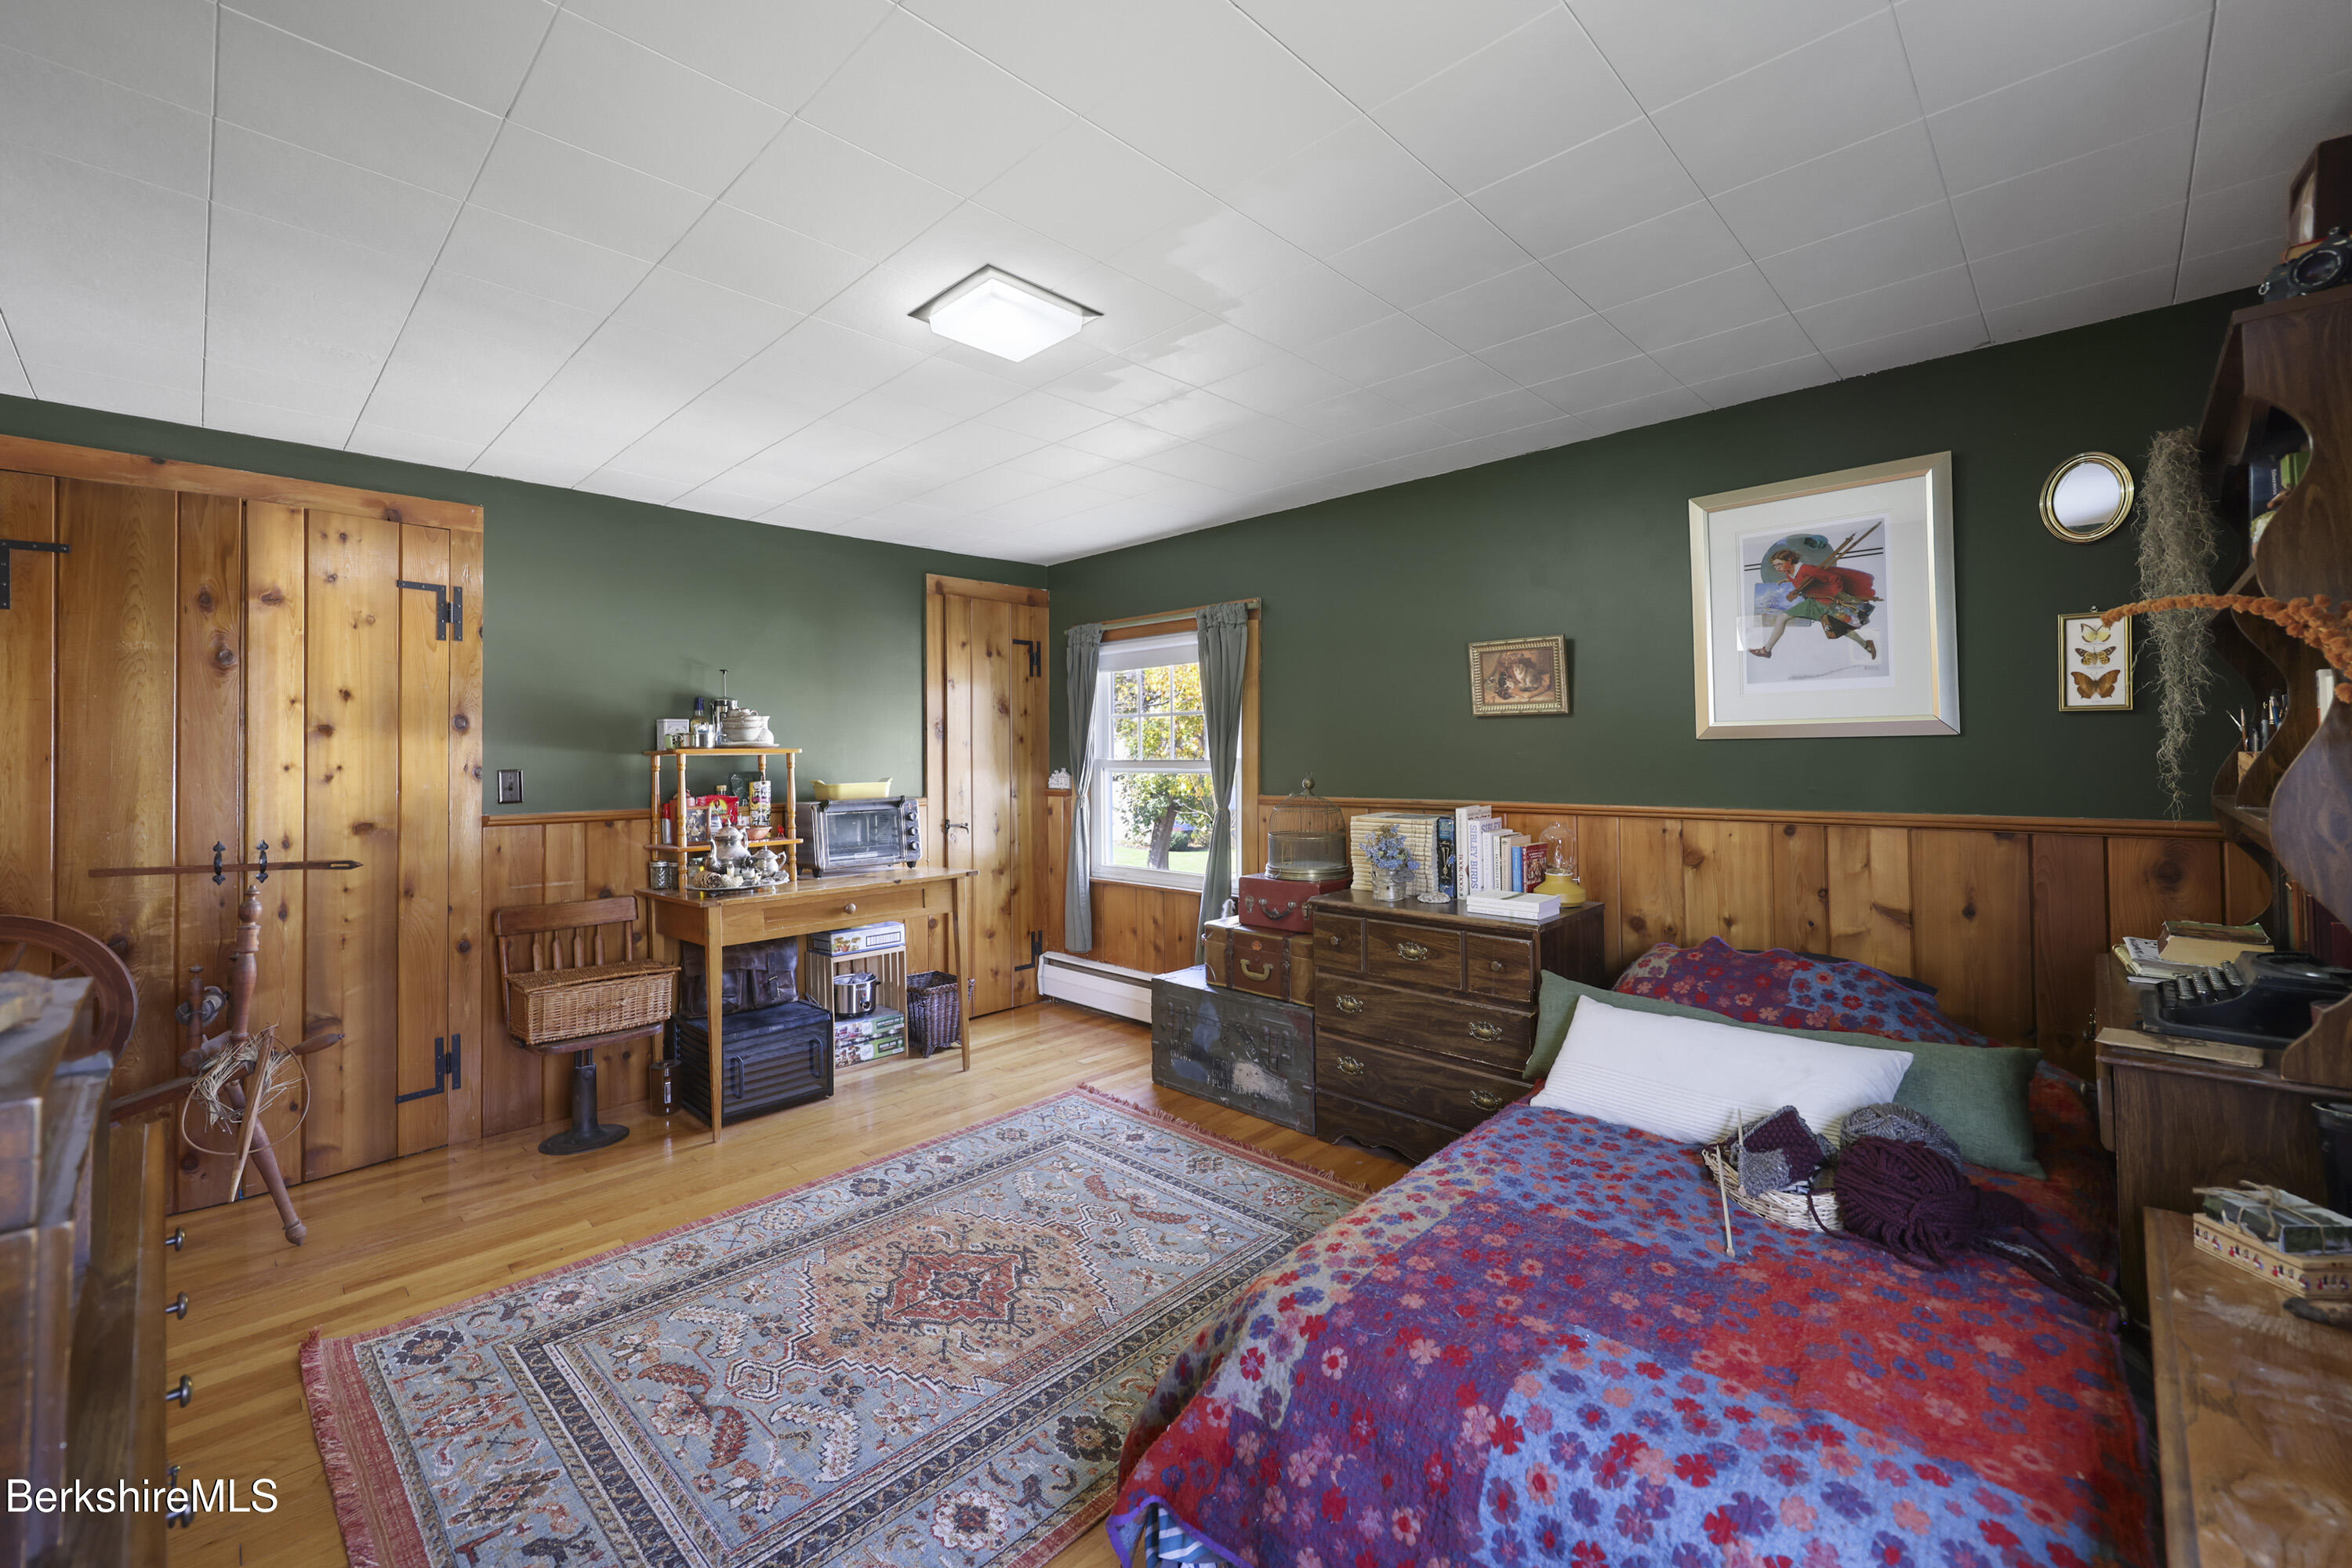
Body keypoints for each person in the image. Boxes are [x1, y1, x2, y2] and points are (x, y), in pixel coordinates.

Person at [1750, 545, 1878, 661]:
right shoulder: (1789, 574)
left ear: (1789, 561)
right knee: (1783, 618)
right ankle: (1766, 650)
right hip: (1814, 603)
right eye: (1775, 566)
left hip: (1827, 603)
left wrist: (1837, 594)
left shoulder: (1807, 570)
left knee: (1843, 630)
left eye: (1779, 564)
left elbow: (1834, 578)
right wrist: (1790, 586)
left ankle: (1867, 645)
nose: (1777, 568)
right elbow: (1803, 584)